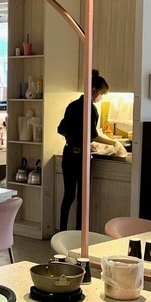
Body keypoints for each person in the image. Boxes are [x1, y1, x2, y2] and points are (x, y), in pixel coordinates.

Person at [57, 70, 115, 231]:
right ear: (94, 90)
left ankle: (62, 232)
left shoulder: (72, 105)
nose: (100, 98)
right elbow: (93, 135)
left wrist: (75, 140)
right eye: (101, 94)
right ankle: (80, 234)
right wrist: (114, 143)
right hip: (81, 158)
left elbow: (61, 130)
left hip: (68, 154)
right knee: (83, 197)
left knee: (68, 196)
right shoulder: (91, 109)